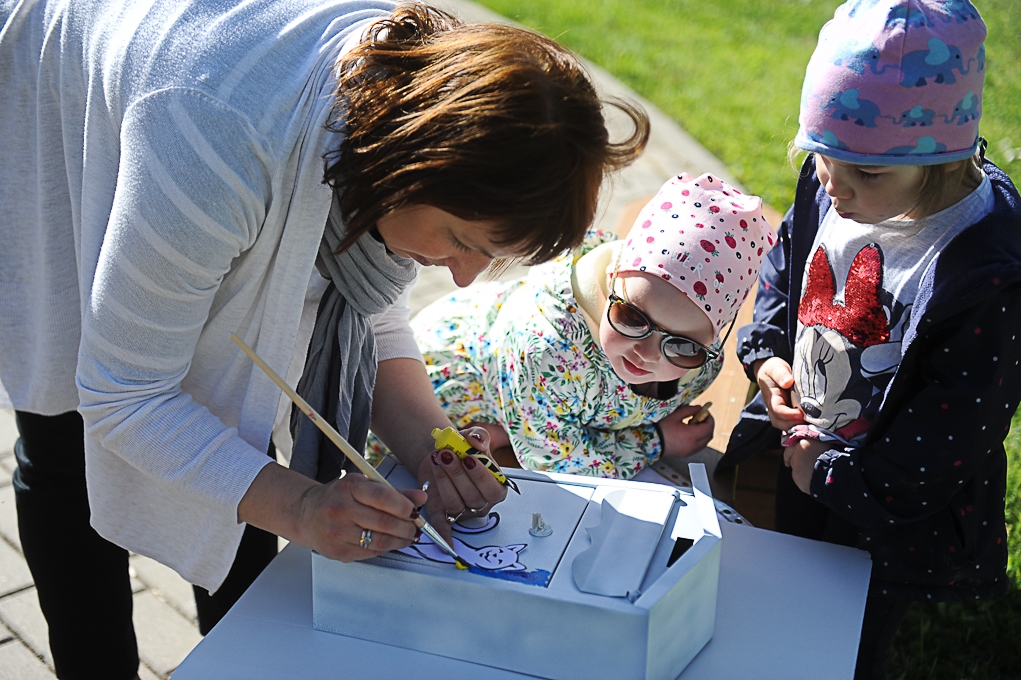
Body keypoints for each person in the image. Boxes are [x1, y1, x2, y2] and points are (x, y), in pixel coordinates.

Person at [0, 2, 648, 678]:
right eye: (461, 242)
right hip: (57, 89)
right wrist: (302, 507)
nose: (463, 278)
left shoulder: (401, 109)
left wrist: (432, 448)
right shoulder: (221, 142)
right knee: (64, 439)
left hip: (187, 113)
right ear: (410, 169)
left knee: (233, 434)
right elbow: (122, 392)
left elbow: (368, 306)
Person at [720, 1, 1021, 678]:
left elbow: (952, 429)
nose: (837, 189)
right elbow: (786, 262)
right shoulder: (836, 179)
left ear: (941, 160)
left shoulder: (985, 273)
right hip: (809, 446)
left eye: (866, 175)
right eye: (821, 160)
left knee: (849, 629)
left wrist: (832, 474)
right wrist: (767, 352)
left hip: (886, 502)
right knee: (788, 573)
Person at [392, 172, 774, 479]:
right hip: (427, 410)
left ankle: (514, 428)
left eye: (681, 346)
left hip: (535, 418)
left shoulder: (702, 360)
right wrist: (653, 441)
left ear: (715, 336)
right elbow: (557, 467)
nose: (645, 352)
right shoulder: (547, 349)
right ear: (610, 278)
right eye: (632, 318)